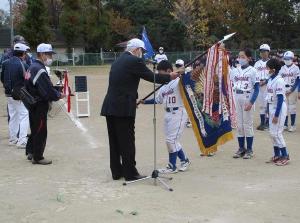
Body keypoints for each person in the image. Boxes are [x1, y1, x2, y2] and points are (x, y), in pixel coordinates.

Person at [100, 38, 181, 181]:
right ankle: (130, 173)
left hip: (110, 106)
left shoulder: (118, 61)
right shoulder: (134, 61)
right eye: (142, 51)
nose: (142, 54)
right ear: (136, 49)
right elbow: (151, 76)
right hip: (123, 108)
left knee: (114, 141)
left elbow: (122, 85)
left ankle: (117, 172)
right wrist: (170, 76)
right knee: (127, 141)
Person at [140, 60, 191, 174]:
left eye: (161, 73)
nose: (159, 75)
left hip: (178, 112)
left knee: (171, 140)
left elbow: (187, 74)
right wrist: (144, 102)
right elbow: (158, 100)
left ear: (169, 71)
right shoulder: (163, 86)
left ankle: (172, 166)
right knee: (172, 140)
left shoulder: (179, 81)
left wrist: (180, 71)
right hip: (168, 114)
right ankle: (184, 160)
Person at [25, 43, 64, 165]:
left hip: (31, 102)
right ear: (41, 54)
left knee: (34, 128)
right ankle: (38, 156)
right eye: (49, 54)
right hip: (39, 104)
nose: (50, 57)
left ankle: (31, 152)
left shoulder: (32, 66)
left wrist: (55, 91)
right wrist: (58, 95)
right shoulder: (40, 69)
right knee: (41, 129)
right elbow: (46, 90)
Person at [230, 49, 259, 159]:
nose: (240, 58)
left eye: (243, 56)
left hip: (247, 97)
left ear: (249, 58)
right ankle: (241, 148)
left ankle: (250, 149)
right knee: (240, 125)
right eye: (239, 56)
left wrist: (251, 102)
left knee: (247, 125)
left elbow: (256, 89)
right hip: (237, 96)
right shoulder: (235, 70)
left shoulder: (253, 70)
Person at [0, 43, 30, 148]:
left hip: (8, 93)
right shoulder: (23, 64)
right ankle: (22, 141)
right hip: (18, 94)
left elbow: (2, 78)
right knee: (24, 114)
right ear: (23, 53)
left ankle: (13, 139)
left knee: (13, 116)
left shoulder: (5, 63)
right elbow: (27, 80)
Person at [265, 59, 290, 166]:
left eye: (268, 68)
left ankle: (285, 156)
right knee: (272, 133)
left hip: (278, 108)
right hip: (271, 107)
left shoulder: (279, 80)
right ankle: (277, 154)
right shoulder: (270, 79)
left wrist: (276, 114)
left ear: (273, 70)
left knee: (277, 133)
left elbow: (280, 98)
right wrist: (267, 110)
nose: (267, 70)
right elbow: (268, 96)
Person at [278, 51, 300, 132]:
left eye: (289, 58)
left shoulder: (296, 68)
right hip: (284, 89)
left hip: (292, 89)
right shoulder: (282, 68)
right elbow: (279, 79)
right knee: (284, 108)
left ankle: (293, 125)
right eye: (285, 58)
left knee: (292, 108)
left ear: (292, 58)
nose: (287, 60)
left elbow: (298, 80)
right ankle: (285, 124)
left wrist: (292, 90)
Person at [254, 44, 270, 130]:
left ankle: (268, 123)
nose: (262, 53)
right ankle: (262, 123)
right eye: (261, 51)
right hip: (259, 85)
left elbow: (273, 74)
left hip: (268, 85)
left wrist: (265, 81)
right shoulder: (257, 63)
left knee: (268, 104)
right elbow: (254, 74)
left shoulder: (271, 62)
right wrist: (257, 82)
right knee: (261, 105)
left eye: (264, 51)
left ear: (268, 52)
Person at [175, 59, 192, 128]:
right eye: (177, 66)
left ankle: (189, 121)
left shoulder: (188, 71)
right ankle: (187, 120)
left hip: (190, 92)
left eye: (180, 65)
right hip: (183, 92)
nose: (178, 67)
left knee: (190, 107)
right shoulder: (179, 72)